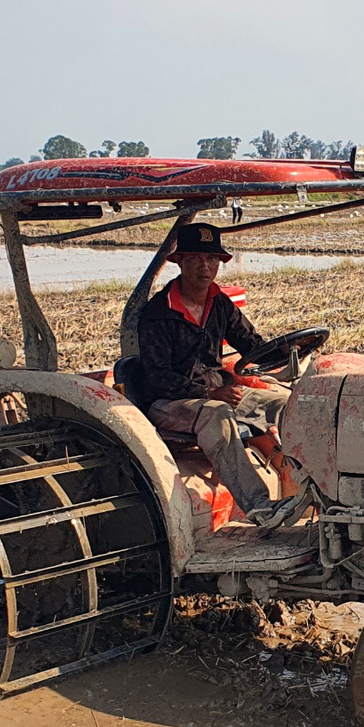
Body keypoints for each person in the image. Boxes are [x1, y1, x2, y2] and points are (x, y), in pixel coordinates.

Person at [135, 222, 301, 528]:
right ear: (181, 261)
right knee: (219, 414)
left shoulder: (219, 303)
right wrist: (208, 394)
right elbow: (157, 377)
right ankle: (262, 508)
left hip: (218, 393)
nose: (205, 266)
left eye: (212, 260)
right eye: (196, 259)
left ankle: (314, 492)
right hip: (170, 402)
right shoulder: (158, 313)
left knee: (289, 405)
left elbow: (252, 345)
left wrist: (290, 350)